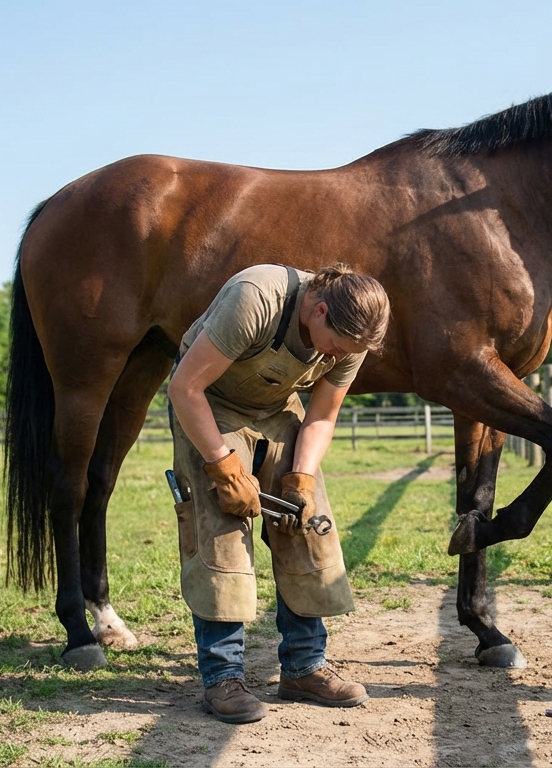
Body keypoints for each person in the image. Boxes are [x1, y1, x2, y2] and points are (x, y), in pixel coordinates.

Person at [167, 262, 391, 724]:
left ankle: (304, 666)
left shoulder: (353, 336)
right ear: (319, 309)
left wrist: (301, 478)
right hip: (209, 404)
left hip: (275, 409)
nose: (333, 356)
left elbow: (322, 416)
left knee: (306, 523)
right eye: (332, 345)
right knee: (222, 530)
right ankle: (223, 677)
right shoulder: (257, 298)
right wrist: (223, 467)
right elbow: (185, 387)